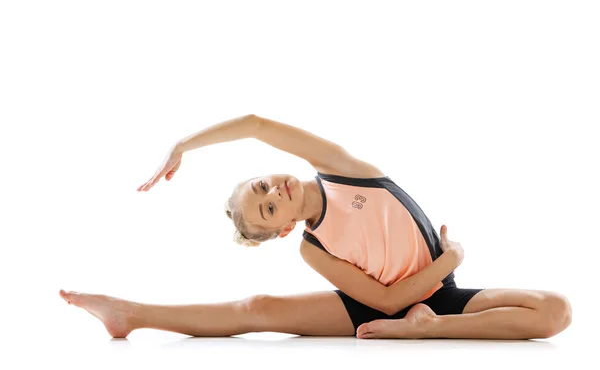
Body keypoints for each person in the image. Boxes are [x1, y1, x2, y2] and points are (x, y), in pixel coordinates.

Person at [59, 114, 572, 339]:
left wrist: (183, 147)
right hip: (392, 304)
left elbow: (257, 123)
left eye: (262, 186)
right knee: (256, 310)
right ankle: (132, 314)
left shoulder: (345, 170)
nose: (272, 194)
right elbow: (387, 303)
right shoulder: (312, 248)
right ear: (282, 230)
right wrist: (449, 260)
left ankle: (438, 331)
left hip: (441, 302)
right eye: (266, 209)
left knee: (555, 311)